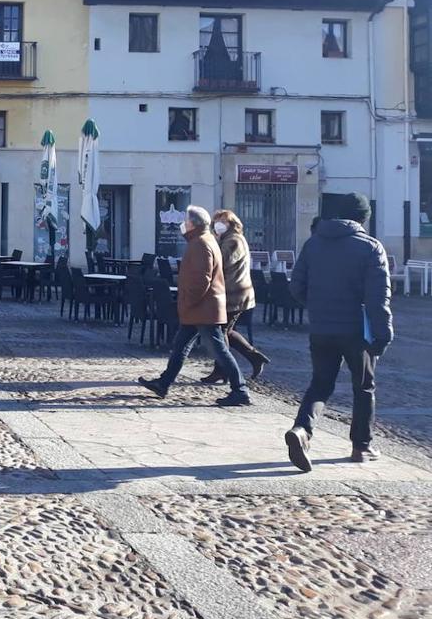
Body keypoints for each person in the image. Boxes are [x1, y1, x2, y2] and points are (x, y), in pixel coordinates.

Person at [285, 192, 393, 471]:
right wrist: (383, 334)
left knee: (320, 384)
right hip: (358, 330)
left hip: (321, 328)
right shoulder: (370, 247)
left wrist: (318, 306)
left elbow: (296, 287)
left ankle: (302, 430)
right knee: (364, 387)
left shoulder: (313, 244)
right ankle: (361, 446)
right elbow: (378, 298)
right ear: (362, 218)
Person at [138, 205, 251, 407]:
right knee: (180, 346)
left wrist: (188, 301)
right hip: (201, 308)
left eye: (185, 221)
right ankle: (163, 383)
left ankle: (240, 389)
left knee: (219, 349)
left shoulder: (200, 243)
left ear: (192, 224)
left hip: (203, 308)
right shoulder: (203, 240)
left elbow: (202, 279)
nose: (183, 224)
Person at [200, 210, 270, 383]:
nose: (218, 224)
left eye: (222, 221)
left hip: (234, 294)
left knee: (220, 331)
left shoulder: (233, 241)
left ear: (231, 223)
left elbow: (220, 262)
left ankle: (224, 371)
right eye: (216, 221)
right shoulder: (226, 239)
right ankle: (253, 357)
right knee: (226, 331)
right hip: (231, 293)